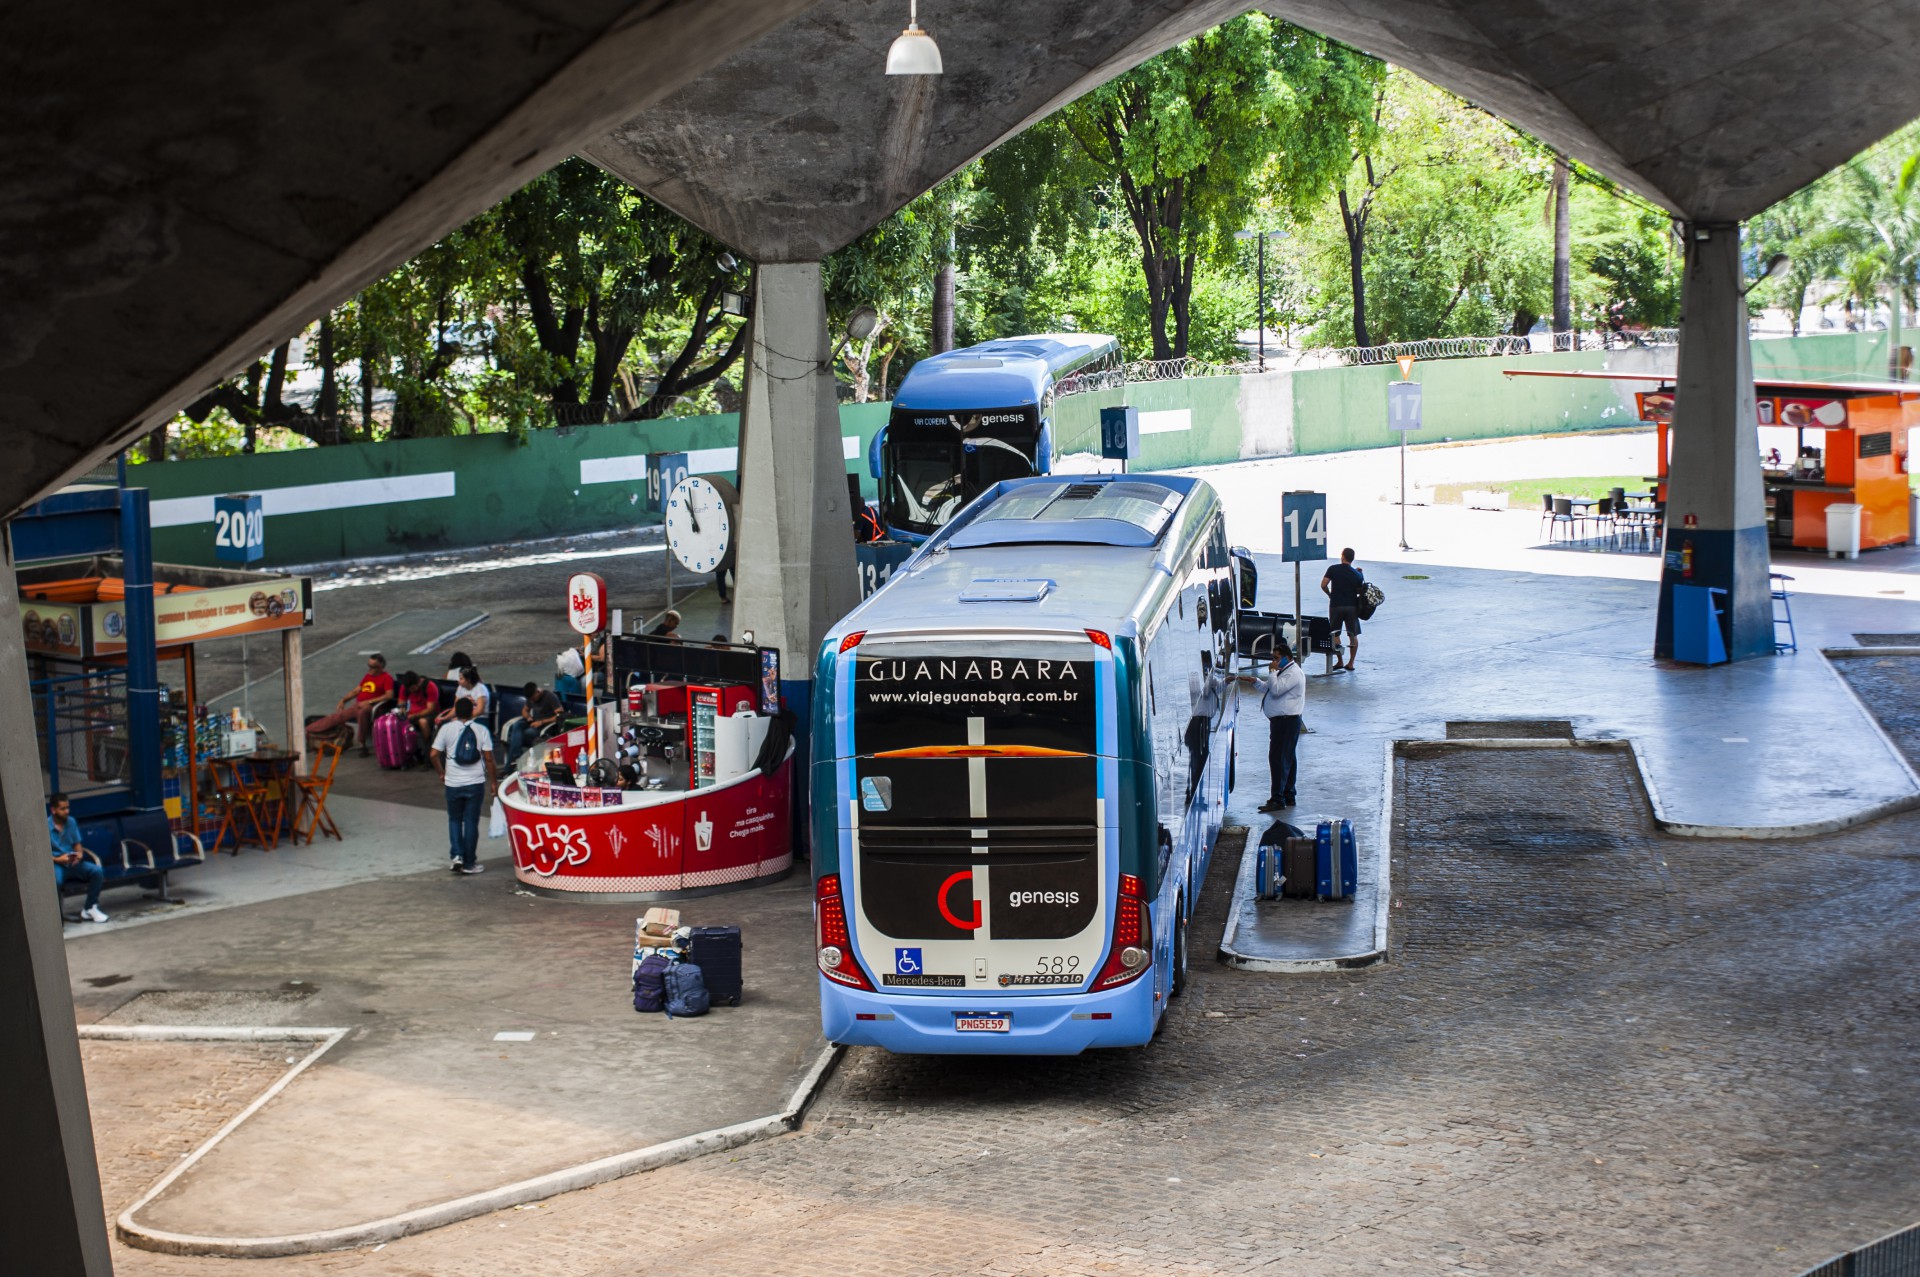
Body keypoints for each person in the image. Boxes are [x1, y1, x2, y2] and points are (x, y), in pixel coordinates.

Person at [430, 699, 498, 875]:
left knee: (454, 819)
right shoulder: (481, 730)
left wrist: (441, 773)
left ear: (456, 712)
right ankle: (469, 863)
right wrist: (493, 782)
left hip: (453, 783)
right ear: (472, 712)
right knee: (470, 822)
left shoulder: (446, 729)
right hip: (474, 784)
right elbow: (489, 759)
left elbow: (433, 754)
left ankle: (457, 856)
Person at [306, 653, 396, 755]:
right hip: (358, 705)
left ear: (380, 667)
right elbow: (356, 691)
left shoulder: (386, 678)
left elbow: (389, 695)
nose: (369, 669)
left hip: (373, 707)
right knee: (337, 716)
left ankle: (362, 744)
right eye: (368, 666)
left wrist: (369, 702)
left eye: (372, 667)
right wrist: (343, 700)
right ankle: (309, 731)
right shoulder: (368, 676)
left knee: (362, 713)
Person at [1259, 639, 1305, 812]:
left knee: (1278, 759)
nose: (1274, 661)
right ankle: (1288, 794)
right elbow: (1270, 688)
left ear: (1286, 657)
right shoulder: (1285, 670)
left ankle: (1277, 799)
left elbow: (1276, 690)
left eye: (1276, 658)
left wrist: (1271, 671)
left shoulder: (1293, 673)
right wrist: (1256, 681)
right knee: (1288, 759)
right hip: (1282, 722)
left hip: (1287, 722)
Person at [48, 793, 108, 922]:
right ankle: (56, 917)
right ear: (53, 810)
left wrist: (79, 855)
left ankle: (89, 908)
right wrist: (59, 859)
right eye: (62, 809)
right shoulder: (45, 826)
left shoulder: (71, 822)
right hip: (57, 864)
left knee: (96, 871)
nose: (66, 811)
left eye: (67, 808)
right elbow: (43, 855)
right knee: (55, 882)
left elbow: (77, 845)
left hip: (72, 863)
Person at [1320, 548, 1367, 673]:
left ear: (1342, 556)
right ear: (1352, 558)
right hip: (1351, 607)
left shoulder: (1333, 569)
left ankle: (1340, 660)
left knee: (1335, 634)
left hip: (1336, 605)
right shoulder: (1357, 574)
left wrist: (1330, 594)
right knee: (1353, 635)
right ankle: (1351, 663)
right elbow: (1359, 591)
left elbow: (1323, 584)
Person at [499, 681, 564, 767]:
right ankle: (517, 756)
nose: (532, 701)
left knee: (519, 736)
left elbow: (560, 716)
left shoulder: (550, 697)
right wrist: (528, 717)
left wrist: (541, 722)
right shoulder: (530, 699)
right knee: (516, 726)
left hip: (544, 726)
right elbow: (525, 710)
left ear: (537, 692)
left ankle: (512, 762)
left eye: (533, 699)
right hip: (533, 722)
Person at [399, 671, 440, 762]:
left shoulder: (430, 686)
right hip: (411, 714)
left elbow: (431, 709)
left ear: (418, 682)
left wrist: (415, 715)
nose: (411, 691)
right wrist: (402, 709)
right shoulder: (405, 687)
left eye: (413, 688)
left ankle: (427, 748)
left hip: (429, 714)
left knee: (423, 722)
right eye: (409, 689)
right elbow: (401, 701)